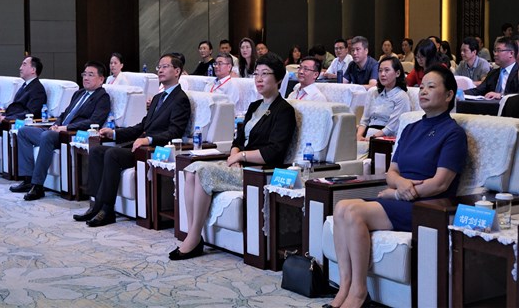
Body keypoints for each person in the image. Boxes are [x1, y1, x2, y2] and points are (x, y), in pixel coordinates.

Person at [326, 65, 467, 308]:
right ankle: (345, 287)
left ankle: (359, 292)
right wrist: (399, 185)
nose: (423, 91)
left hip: (427, 207)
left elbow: (440, 183)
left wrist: (396, 194)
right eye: (421, 86)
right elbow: (392, 172)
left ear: (449, 95)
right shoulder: (411, 128)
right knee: (340, 209)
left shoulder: (453, 134)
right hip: (402, 197)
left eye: (431, 87)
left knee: (352, 211)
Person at [169, 52, 296, 260]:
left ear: (279, 79)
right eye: (256, 74)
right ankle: (194, 233)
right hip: (241, 164)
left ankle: (193, 238)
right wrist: (236, 153)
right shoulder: (255, 106)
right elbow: (238, 140)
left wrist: (241, 157)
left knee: (202, 171)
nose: (259, 79)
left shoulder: (284, 111)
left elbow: (274, 151)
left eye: (265, 74)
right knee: (190, 170)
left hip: (259, 171)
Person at [74, 53, 191, 227]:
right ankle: (95, 205)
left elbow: (175, 132)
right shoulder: (158, 97)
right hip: (139, 146)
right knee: (97, 150)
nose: (160, 70)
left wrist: (148, 140)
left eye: (165, 66)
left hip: (155, 151)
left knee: (112, 154)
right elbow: (142, 126)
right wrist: (114, 134)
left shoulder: (180, 99)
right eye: (159, 67)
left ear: (177, 71)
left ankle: (107, 210)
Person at [11, 61, 110, 200]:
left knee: (46, 136)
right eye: (84, 74)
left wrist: (66, 128)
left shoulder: (102, 97)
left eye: (91, 75)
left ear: (101, 79)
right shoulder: (79, 93)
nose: (86, 78)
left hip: (70, 135)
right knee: (24, 131)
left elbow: (94, 121)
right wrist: (56, 124)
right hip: (58, 131)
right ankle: (28, 179)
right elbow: (65, 114)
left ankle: (37, 186)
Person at [356, 57, 410, 141]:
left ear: (397, 73)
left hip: (385, 138)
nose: (382, 74)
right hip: (367, 133)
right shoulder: (373, 92)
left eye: (387, 70)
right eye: (380, 71)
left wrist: (371, 138)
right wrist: (358, 136)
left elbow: (391, 128)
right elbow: (364, 120)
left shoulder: (402, 96)